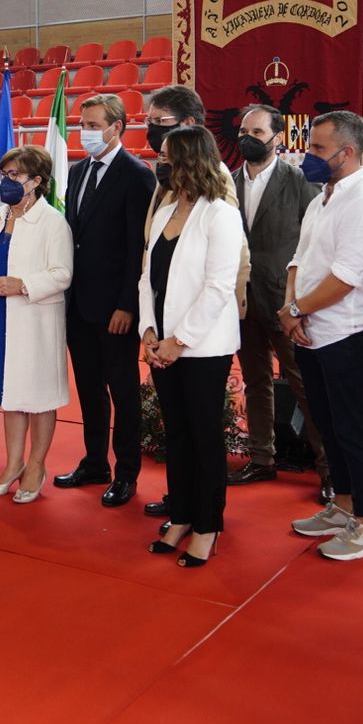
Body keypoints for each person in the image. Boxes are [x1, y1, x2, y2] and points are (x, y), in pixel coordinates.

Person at [283, 110, 363, 561]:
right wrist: (291, 308)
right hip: (309, 328)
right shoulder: (322, 197)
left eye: (317, 149)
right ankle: (344, 505)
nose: (308, 156)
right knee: (326, 424)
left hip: (348, 331)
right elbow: (299, 259)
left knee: (353, 428)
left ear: (346, 154)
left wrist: (295, 309)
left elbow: (345, 278)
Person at [140, 126, 246, 565]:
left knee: (203, 436)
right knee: (176, 434)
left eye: (166, 156)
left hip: (202, 347)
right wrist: (149, 331)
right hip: (161, 341)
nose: (159, 162)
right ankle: (181, 514)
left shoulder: (220, 213)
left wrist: (178, 340)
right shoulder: (165, 212)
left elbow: (219, 286)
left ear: (189, 161)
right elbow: (147, 277)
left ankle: (207, 524)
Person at [55, 93, 155, 507]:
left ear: (117, 127)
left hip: (115, 307)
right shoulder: (78, 171)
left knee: (123, 390)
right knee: (90, 389)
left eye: (94, 125)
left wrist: (127, 305)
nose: (86, 132)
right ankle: (95, 460)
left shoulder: (137, 175)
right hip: (78, 303)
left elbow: (137, 246)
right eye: (84, 124)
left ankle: (126, 472)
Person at [228, 103, 327, 492]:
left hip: (285, 301)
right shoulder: (227, 181)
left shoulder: (300, 182)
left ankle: (329, 469)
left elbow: (314, 245)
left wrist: (299, 302)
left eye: (256, 133)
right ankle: (261, 458)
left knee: (303, 384)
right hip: (241, 300)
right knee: (254, 381)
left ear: (277, 138)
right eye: (243, 132)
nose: (247, 139)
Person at [0, 145, 73, 502]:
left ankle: (36, 465)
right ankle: (12, 464)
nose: (7, 182)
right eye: (5, 175)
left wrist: (23, 284)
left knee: (38, 396)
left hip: (34, 318)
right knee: (8, 395)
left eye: (15, 176)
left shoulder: (53, 222)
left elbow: (62, 273)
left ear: (37, 181)